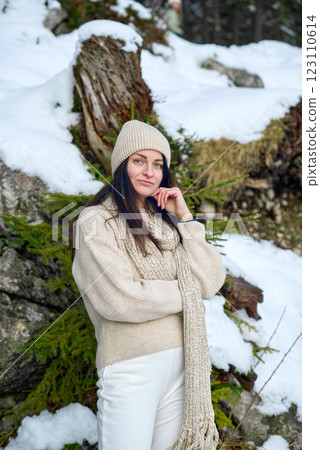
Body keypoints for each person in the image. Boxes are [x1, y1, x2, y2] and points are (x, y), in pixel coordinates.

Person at [72, 120, 226, 449]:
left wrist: (185, 220)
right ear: (121, 166)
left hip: (183, 365)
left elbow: (210, 280)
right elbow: (121, 299)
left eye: (158, 164)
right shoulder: (96, 221)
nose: (149, 172)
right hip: (131, 367)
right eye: (138, 160)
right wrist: (187, 292)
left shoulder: (166, 224)